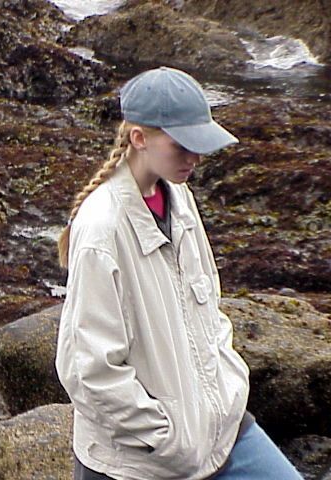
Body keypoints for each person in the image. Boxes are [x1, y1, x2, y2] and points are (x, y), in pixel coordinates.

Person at [55, 67, 303, 480]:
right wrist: (166, 439)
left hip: (219, 430)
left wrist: (227, 385)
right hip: (143, 461)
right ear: (139, 138)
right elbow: (87, 369)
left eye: (199, 144)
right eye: (182, 145)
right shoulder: (101, 228)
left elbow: (209, 306)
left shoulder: (180, 196)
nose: (195, 158)